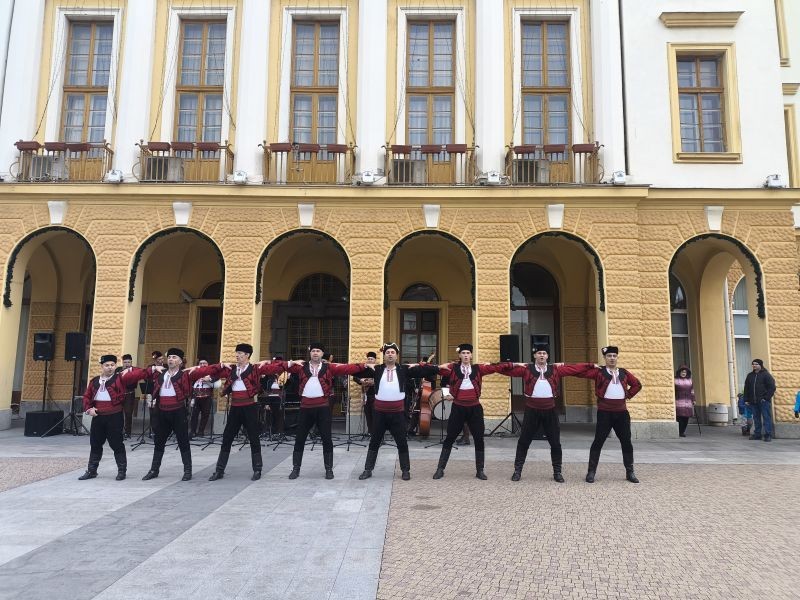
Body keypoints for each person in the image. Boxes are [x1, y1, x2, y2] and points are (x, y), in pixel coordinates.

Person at [497, 344, 593, 482]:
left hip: (550, 410)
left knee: (555, 443)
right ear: (534, 355)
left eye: (544, 353)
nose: (541, 355)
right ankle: (517, 471)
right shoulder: (526, 369)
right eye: (539, 353)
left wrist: (590, 365)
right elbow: (504, 369)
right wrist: (514, 364)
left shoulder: (555, 369)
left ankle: (557, 472)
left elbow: (574, 368)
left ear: (547, 356)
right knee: (524, 441)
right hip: (531, 410)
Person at [285, 343, 367, 480]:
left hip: (323, 407)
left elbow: (347, 368)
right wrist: (290, 362)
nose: (315, 353)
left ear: (322, 354)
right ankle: (295, 469)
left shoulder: (329, 367)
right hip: (305, 407)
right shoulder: (301, 367)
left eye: (318, 351)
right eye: (313, 351)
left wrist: (364, 365)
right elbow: (279, 366)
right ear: (310, 353)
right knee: (300, 439)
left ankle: (329, 469)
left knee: (326, 439)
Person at [358, 343, 438, 481]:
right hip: (380, 413)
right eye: (388, 352)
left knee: (401, 442)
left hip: (398, 413)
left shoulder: (403, 369)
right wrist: (364, 365)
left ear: (396, 355)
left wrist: (432, 367)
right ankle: (368, 469)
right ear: (384, 355)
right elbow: (355, 371)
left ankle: (405, 470)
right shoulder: (377, 369)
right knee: (374, 442)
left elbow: (423, 371)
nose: (390, 354)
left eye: (392, 352)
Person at [208, 344, 285, 481]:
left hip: (249, 406)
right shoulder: (232, 369)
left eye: (240, 353)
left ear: (247, 355)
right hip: (235, 407)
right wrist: (219, 368)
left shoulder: (254, 369)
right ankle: (219, 470)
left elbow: (274, 368)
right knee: (227, 438)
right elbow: (215, 373)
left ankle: (257, 469)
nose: (237, 355)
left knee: (254, 437)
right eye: (237, 353)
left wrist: (287, 363)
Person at [142, 349, 220, 482]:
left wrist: (205, 367)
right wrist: (153, 368)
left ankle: (187, 470)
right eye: (169, 357)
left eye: (174, 357)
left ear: (180, 361)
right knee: (159, 441)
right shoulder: (161, 373)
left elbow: (206, 371)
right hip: (162, 411)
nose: (170, 359)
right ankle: (154, 470)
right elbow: (144, 374)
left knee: (183, 441)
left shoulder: (185, 374)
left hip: (178, 411)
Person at [570, 346, 642, 484]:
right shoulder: (599, 372)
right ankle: (591, 472)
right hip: (604, 413)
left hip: (622, 413)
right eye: (609, 356)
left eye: (614, 356)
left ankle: (630, 472)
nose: (612, 358)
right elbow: (579, 373)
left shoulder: (624, 372)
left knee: (626, 442)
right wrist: (589, 365)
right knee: (598, 441)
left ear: (617, 357)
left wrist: (628, 395)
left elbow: (637, 385)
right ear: (604, 358)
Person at [432, 344, 504, 480]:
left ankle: (480, 470)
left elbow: (495, 367)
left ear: (471, 355)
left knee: (479, 438)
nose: (466, 355)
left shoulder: (478, 368)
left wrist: (507, 364)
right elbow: (436, 370)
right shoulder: (453, 368)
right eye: (463, 353)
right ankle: (440, 469)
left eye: (468, 353)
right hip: (458, 407)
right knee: (450, 437)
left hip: (475, 408)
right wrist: (429, 365)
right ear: (460, 355)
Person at [78, 355, 152, 481]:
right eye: (107, 365)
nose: (110, 367)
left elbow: (138, 374)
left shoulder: (120, 378)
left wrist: (151, 369)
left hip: (114, 416)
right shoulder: (94, 381)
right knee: (95, 444)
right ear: (102, 366)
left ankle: (122, 471)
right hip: (98, 416)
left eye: (112, 365)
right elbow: (87, 396)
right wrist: (89, 409)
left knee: (117, 444)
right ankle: (91, 471)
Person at [742, 358, 776, 442]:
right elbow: (746, 388)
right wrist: (746, 399)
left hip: (763, 401)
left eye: (756, 364)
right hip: (753, 402)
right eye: (753, 364)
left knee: (766, 418)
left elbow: (772, 387)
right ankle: (757, 434)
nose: (754, 365)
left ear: (760, 365)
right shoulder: (750, 375)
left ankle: (768, 435)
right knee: (756, 419)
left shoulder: (766, 375)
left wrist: (766, 398)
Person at [189, 358, 216, 438]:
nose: (202, 365)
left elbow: (216, 380)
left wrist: (209, 379)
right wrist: (192, 398)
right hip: (196, 397)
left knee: (205, 415)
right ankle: (192, 431)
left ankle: (201, 431)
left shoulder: (212, 372)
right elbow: (191, 385)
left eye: (204, 363)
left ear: (208, 364)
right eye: (200, 363)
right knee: (194, 415)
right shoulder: (195, 373)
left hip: (207, 397)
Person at [353, 351, 377, 435]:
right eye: (369, 359)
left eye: (371, 359)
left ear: (375, 360)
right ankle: (370, 432)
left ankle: (376, 432)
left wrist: (373, 381)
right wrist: (361, 380)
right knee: (368, 413)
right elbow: (355, 377)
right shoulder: (364, 369)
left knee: (375, 414)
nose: (370, 360)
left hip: (375, 395)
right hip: (365, 395)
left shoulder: (377, 369)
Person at [116, 354, 137, 439]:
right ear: (122, 362)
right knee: (117, 413)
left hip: (129, 394)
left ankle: (127, 432)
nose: (127, 364)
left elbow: (133, 384)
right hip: (119, 395)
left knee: (128, 413)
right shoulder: (118, 370)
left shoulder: (134, 371)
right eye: (125, 362)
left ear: (131, 362)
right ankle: (118, 431)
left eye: (129, 362)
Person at [674, 365, 695, 438]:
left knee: (686, 418)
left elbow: (692, 391)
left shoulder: (690, 381)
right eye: (682, 372)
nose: (683, 373)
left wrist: (693, 400)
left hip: (688, 402)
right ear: (679, 372)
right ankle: (679, 431)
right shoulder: (675, 380)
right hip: (678, 401)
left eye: (685, 372)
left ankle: (682, 431)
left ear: (687, 373)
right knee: (679, 417)